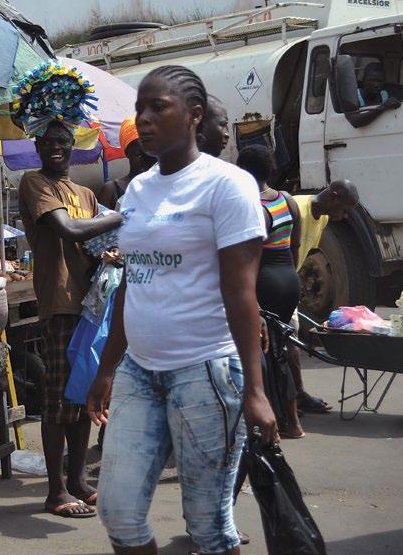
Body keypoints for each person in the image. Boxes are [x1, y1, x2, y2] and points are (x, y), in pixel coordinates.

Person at [88, 65, 276, 555]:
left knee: (209, 526)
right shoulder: (139, 190)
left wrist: (255, 391)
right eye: (139, 110)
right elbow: (133, 280)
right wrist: (107, 368)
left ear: (194, 115)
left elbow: (242, 294)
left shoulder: (226, 185)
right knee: (118, 511)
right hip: (140, 371)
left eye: (158, 107)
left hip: (206, 372)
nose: (144, 120)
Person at [18, 120, 123, 519]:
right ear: (38, 146)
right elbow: (68, 229)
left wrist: (109, 253)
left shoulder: (85, 193)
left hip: (92, 305)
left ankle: (78, 480)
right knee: (58, 399)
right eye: (49, 142)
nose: (56, 148)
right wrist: (122, 217)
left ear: (73, 146)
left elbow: (97, 244)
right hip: (60, 301)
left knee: (83, 397)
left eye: (63, 141)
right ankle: (56, 490)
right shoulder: (34, 182)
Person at [236, 145, 304, 439]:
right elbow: (296, 245)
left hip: (266, 283)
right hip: (289, 279)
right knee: (281, 349)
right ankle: (292, 422)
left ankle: (273, 427)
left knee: (263, 354)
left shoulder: (255, 207)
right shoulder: (287, 200)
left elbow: (247, 257)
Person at [290, 179, 360, 414]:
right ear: (332, 198)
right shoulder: (296, 209)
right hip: (272, 286)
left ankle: (295, 395)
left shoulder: (324, 218)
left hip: (286, 285)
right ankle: (283, 400)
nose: (345, 216)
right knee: (278, 345)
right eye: (344, 209)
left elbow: (303, 256)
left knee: (290, 344)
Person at [97, 116, 156, 208]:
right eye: (137, 154)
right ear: (127, 153)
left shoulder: (166, 185)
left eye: (148, 154)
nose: (142, 160)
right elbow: (102, 220)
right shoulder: (111, 190)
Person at [346, 64, 401, 128]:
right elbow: (355, 121)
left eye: (380, 81)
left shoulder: (384, 95)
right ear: (363, 80)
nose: (376, 85)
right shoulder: (353, 96)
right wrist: (383, 107)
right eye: (372, 80)